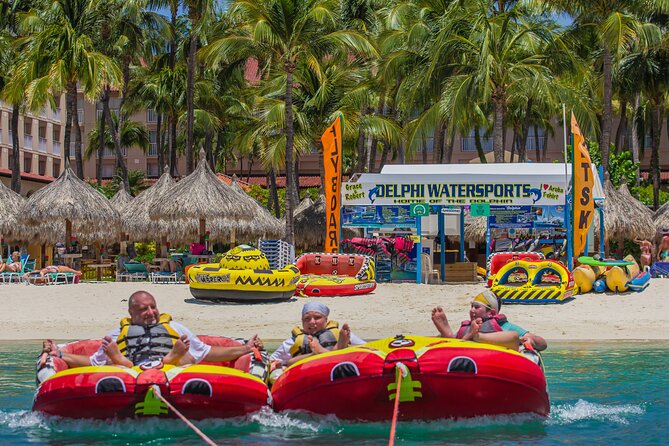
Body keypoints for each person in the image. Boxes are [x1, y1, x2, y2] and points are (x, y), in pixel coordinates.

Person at [41, 290, 263, 368]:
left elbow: (207, 353)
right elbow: (92, 362)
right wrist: (59, 354)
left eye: (153, 307)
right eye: (143, 309)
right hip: (131, 373)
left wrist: (245, 349)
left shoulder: (175, 328)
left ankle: (171, 358)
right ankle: (123, 361)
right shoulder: (116, 335)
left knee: (187, 356)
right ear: (131, 314)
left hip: (173, 373)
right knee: (111, 362)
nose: (151, 312)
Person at [431, 290, 547, 352]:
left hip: (500, 358)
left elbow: (542, 344)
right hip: (469, 353)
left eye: (476, 307)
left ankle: (476, 337)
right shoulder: (468, 328)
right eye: (471, 306)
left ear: (491, 313)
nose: (471, 310)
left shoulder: (505, 326)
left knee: (513, 336)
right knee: (447, 338)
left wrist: (530, 339)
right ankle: (449, 335)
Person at [270, 301, 365, 367]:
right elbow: (271, 362)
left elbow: (368, 349)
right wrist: (278, 366)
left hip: (338, 369)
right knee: (290, 363)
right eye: (307, 318)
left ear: (326, 320)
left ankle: (319, 353)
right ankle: (335, 350)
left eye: (317, 317)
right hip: (307, 375)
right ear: (302, 321)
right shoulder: (291, 342)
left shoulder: (342, 335)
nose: (312, 322)